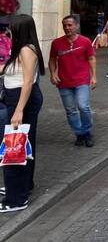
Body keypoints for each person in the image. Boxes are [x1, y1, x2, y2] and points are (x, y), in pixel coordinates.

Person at [0, 15, 45, 212]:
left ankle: (16, 198)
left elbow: (27, 82)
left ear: (20, 29)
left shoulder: (26, 50)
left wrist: (18, 110)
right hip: (18, 98)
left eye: (11, 28)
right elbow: (9, 70)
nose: (8, 31)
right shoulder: (21, 49)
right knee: (24, 144)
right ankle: (22, 186)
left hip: (21, 100)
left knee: (14, 146)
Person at [48, 16, 97, 148]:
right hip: (64, 82)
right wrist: (53, 73)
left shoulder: (85, 41)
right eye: (64, 25)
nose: (67, 28)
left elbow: (91, 58)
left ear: (76, 26)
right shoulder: (57, 43)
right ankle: (79, 133)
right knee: (70, 110)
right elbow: (52, 59)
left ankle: (87, 132)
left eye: (70, 25)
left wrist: (94, 76)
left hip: (82, 80)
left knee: (83, 106)